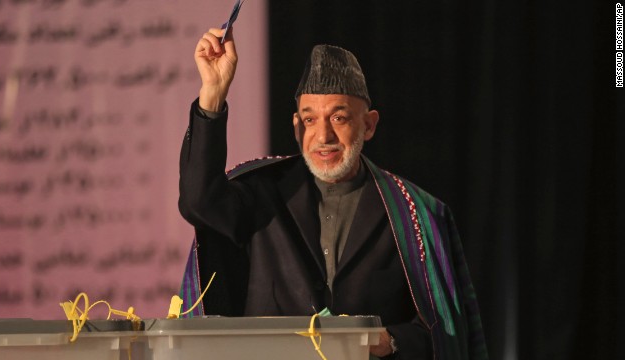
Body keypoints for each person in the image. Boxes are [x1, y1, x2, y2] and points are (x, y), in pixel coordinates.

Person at [177, 27, 488, 360]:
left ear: (368, 125)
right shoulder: (262, 191)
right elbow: (199, 202)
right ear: (297, 127)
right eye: (310, 120)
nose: (323, 135)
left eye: (338, 117)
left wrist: (389, 341)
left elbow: (446, 338)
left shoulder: (413, 214)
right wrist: (213, 94)